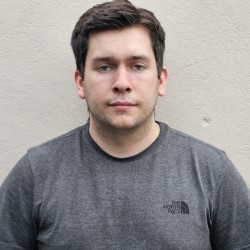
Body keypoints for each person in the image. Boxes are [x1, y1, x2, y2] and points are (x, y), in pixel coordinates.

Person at [0, 0, 249, 249]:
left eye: (137, 66)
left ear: (161, 80)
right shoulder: (35, 173)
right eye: (105, 66)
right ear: (80, 82)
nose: (122, 82)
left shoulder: (212, 172)